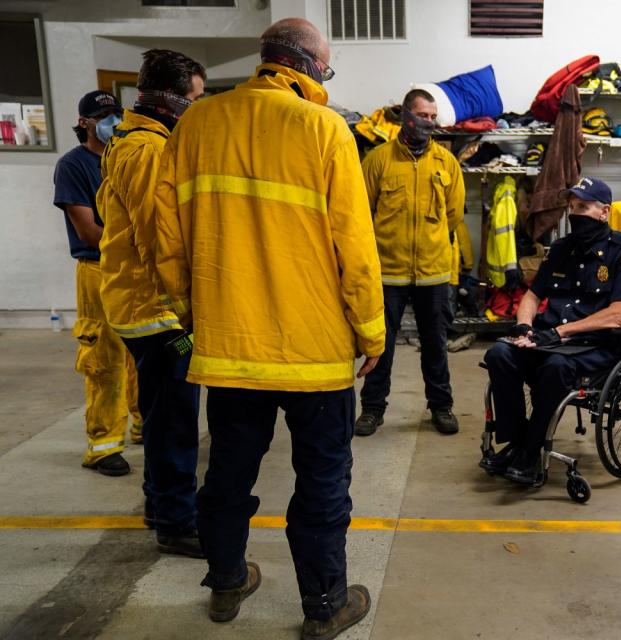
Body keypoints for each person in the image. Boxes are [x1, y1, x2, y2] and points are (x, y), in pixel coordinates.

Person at [154, 18, 385, 638]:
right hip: (316, 355)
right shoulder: (324, 129)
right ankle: (324, 605)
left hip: (232, 350)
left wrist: (193, 316)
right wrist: (372, 334)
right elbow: (356, 251)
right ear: (309, 66)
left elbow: (167, 240)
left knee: (227, 472)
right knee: (321, 482)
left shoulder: (197, 124)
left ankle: (227, 582)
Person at [98, 49, 206, 557]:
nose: (197, 108)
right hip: (155, 309)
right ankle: (178, 524)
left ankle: (159, 505)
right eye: (194, 99)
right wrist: (186, 307)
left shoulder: (133, 138)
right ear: (170, 99)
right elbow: (158, 239)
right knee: (174, 422)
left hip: (138, 303)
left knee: (163, 416)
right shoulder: (146, 150)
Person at [480, 177, 621, 485]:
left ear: (604, 212)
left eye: (583, 207)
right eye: (571, 207)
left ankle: (530, 453)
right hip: (548, 340)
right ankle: (517, 443)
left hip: (595, 347)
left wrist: (559, 332)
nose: (575, 214)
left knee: (555, 367)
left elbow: (618, 315)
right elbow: (532, 295)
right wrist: (525, 326)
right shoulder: (559, 249)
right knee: (499, 353)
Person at [355, 89, 465, 436]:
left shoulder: (446, 163)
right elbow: (362, 212)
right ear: (405, 115)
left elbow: (453, 214)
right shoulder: (378, 160)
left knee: (435, 345)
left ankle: (441, 406)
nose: (429, 123)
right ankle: (372, 410)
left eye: (433, 117)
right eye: (423, 116)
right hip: (388, 272)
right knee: (380, 346)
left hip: (433, 271)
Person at [53, 90, 142, 477]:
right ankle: (103, 445)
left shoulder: (123, 157)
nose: (112, 122)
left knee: (142, 356)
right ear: (85, 122)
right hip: (98, 270)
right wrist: (143, 238)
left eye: (115, 114)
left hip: (135, 271)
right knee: (104, 359)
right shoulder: (73, 166)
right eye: (103, 116)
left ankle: (143, 425)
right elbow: (89, 232)